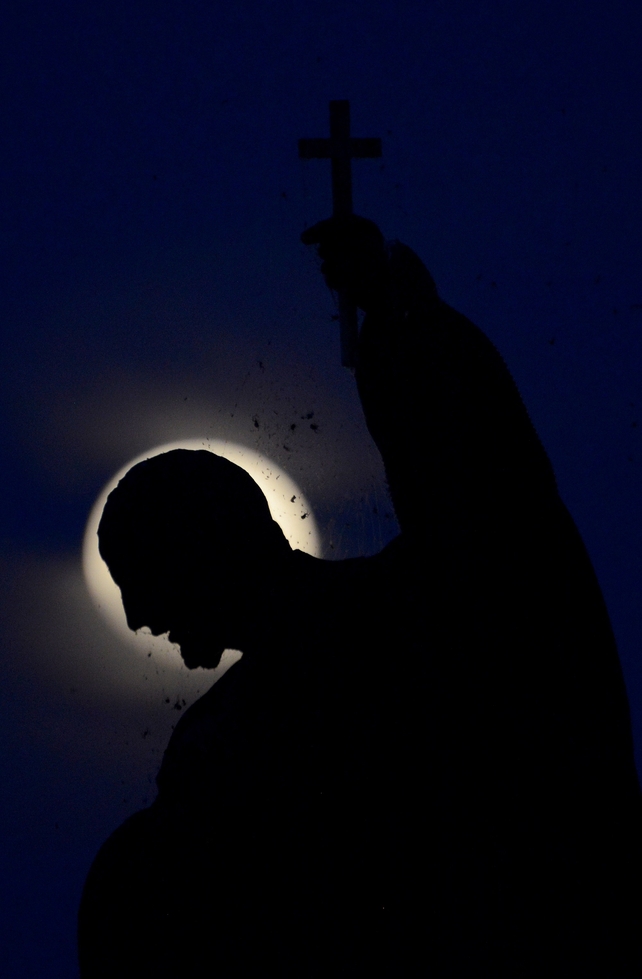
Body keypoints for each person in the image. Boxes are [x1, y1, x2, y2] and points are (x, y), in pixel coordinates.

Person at [78, 216, 642, 977]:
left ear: (206, 553)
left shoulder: (410, 616)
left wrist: (402, 325)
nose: (138, 618)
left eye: (144, 579)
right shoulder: (215, 738)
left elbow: (494, 503)